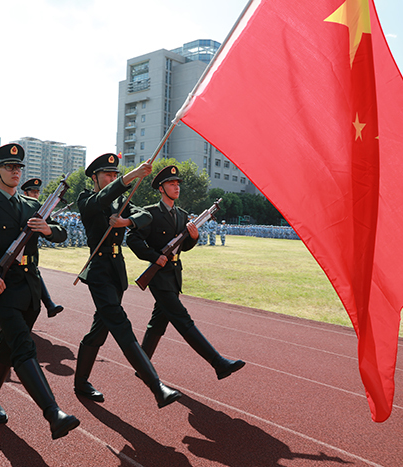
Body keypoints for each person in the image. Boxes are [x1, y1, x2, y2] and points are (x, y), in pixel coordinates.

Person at [0, 144, 79, 440]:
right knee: (23, 347)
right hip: (3, 290)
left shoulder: (33, 205)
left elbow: (60, 233)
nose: (16, 171)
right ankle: (53, 413)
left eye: (19, 167)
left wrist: (48, 230)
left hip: (31, 289)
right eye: (9, 167)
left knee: (7, 348)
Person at [74, 153, 181, 408]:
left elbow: (146, 216)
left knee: (99, 329)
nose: (112, 178)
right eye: (107, 175)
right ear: (94, 178)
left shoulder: (122, 202)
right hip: (99, 272)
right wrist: (131, 176)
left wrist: (127, 221)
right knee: (121, 325)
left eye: (115, 174)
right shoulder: (87, 200)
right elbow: (103, 198)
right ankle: (156, 386)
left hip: (116, 271)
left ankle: (81, 383)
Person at [127, 166, 245, 381]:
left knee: (158, 322)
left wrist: (194, 236)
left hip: (174, 275)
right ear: (161, 188)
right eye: (171, 184)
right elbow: (132, 239)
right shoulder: (150, 213)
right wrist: (154, 256)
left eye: (177, 184)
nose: (176, 187)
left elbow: (184, 247)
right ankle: (218, 363)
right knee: (183, 320)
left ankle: (142, 366)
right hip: (159, 276)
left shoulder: (182, 215)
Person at [21, 178, 64, 318]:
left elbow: (59, 231)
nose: (36, 195)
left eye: (37, 192)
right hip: (13, 259)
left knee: (33, 308)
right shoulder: (18, 206)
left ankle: (49, 304)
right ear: (25, 193)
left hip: (30, 257)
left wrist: (48, 230)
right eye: (33, 192)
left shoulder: (39, 210)